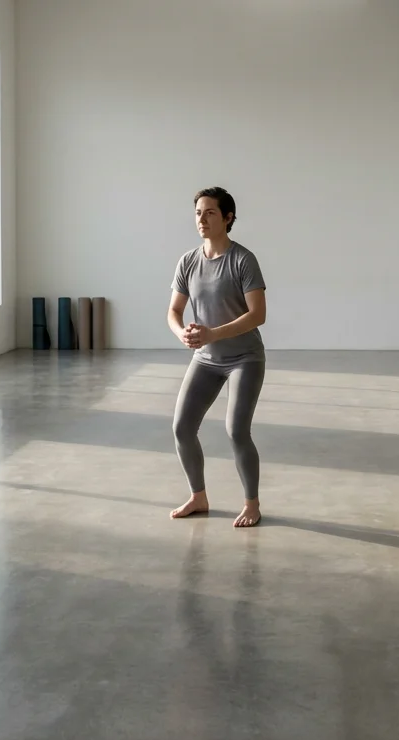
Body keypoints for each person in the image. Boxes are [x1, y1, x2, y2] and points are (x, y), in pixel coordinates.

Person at [167, 187, 267, 528]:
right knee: (181, 428)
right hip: (206, 358)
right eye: (198, 212)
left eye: (210, 212)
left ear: (228, 218)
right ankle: (199, 496)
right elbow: (173, 311)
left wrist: (212, 333)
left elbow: (257, 315)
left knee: (236, 430)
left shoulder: (243, 260)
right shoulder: (188, 261)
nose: (202, 219)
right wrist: (182, 333)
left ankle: (251, 503)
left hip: (245, 358)